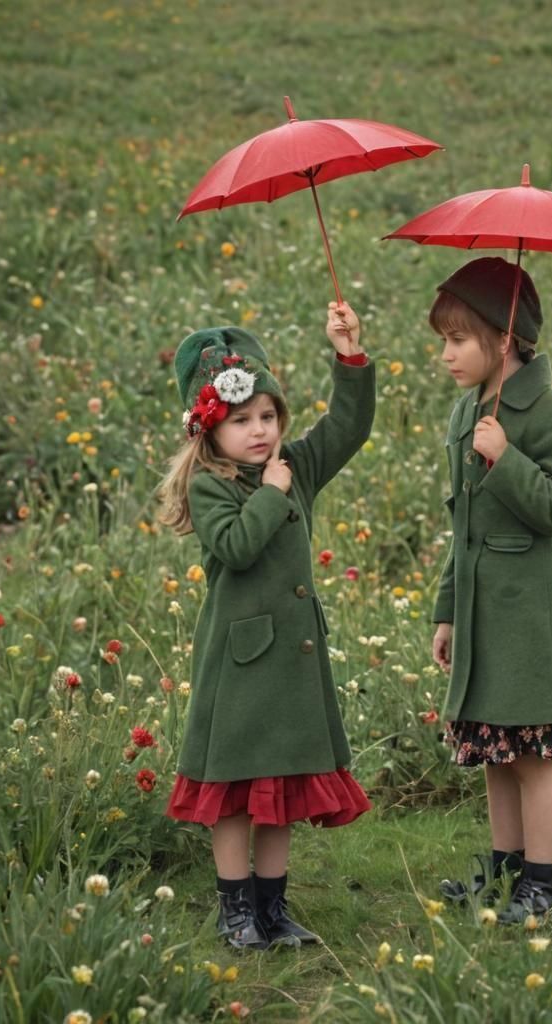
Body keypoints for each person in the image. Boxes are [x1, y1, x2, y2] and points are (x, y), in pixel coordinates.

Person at [158, 303, 375, 950]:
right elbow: (235, 547)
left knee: (278, 789)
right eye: (241, 420)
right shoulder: (210, 484)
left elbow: (348, 426)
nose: (259, 431)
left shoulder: (295, 466)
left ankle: (273, 909)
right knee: (230, 792)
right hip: (239, 664)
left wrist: (349, 355)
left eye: (268, 417)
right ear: (208, 429)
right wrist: (271, 494)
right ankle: (235, 911)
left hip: (292, 660)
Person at [428, 257, 552, 923]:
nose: (446, 355)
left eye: (458, 340)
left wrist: (508, 458)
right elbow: (461, 526)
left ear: (503, 340)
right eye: (442, 341)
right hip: (480, 619)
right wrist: (446, 612)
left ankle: (543, 880)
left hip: (531, 620)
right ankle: (503, 872)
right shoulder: (464, 412)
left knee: (532, 759)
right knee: (496, 753)